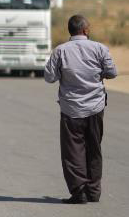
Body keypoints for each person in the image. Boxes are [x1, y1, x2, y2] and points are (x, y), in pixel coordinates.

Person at [44, 14, 118, 204]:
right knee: (94, 148)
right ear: (85, 30)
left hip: (71, 109)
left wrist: (64, 72)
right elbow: (112, 73)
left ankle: (79, 193)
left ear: (71, 31)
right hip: (95, 107)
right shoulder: (100, 48)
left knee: (73, 152)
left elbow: (49, 77)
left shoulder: (60, 51)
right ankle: (93, 192)